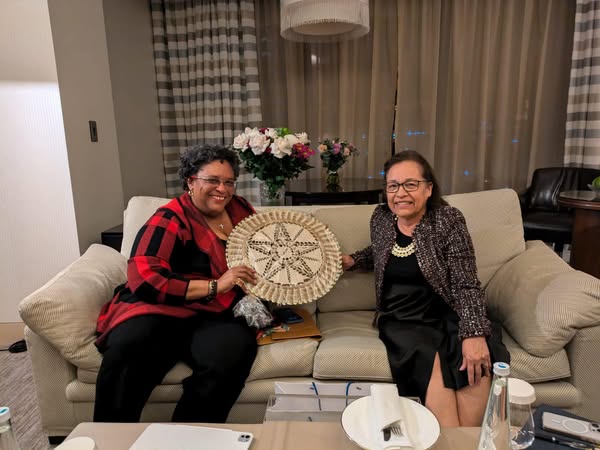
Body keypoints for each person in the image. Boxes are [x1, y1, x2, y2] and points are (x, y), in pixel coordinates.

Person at [341, 150, 509, 427]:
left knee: (475, 369)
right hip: (404, 318)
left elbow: (466, 281)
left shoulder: (447, 220)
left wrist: (474, 333)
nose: (400, 193)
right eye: (393, 185)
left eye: (410, 184)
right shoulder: (382, 218)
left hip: (451, 312)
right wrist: (354, 260)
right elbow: (383, 252)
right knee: (432, 372)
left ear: (429, 188)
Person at [94, 144, 259, 423]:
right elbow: (145, 278)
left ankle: (188, 438)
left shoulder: (240, 210)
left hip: (218, 311)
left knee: (230, 356)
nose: (223, 189)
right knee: (128, 351)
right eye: (213, 180)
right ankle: (111, 440)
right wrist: (215, 286)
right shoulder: (169, 218)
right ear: (190, 181)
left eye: (229, 182)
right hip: (160, 306)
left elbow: (267, 248)